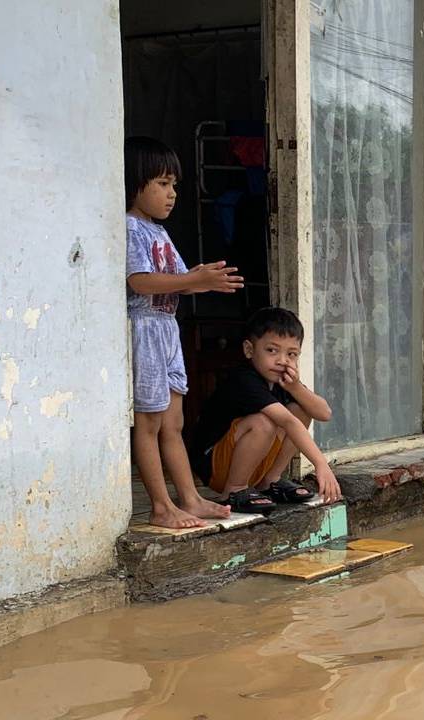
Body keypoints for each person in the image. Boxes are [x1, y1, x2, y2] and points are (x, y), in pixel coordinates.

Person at [125, 136, 241, 529]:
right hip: (145, 329)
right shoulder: (130, 229)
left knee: (174, 422)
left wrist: (204, 281)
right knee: (150, 422)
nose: (171, 194)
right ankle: (161, 506)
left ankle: (188, 497)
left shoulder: (159, 232)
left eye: (173, 185)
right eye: (162, 183)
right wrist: (192, 279)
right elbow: (140, 281)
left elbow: (177, 280)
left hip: (168, 330)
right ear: (134, 182)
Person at [188, 307, 342, 514]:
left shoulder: (282, 379)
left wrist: (295, 388)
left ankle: (270, 482)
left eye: (291, 354)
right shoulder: (244, 379)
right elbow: (288, 423)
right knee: (264, 422)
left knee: (301, 409)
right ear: (249, 350)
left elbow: (324, 413)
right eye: (272, 350)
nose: (282, 360)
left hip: (253, 465)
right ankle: (234, 491)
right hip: (216, 465)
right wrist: (320, 465)